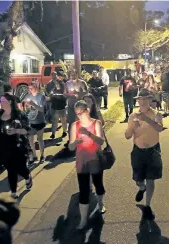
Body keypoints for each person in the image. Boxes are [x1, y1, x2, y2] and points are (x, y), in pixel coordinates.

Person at [124, 88, 164, 220]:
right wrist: (132, 127)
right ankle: (141, 187)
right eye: (140, 99)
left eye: (145, 99)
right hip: (138, 151)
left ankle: (147, 205)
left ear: (150, 100)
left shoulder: (156, 114)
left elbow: (159, 128)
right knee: (138, 178)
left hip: (153, 150)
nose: (143, 101)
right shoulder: (133, 116)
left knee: (151, 179)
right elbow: (127, 136)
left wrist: (146, 119)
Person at [69, 101, 106, 229]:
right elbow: (70, 145)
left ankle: (100, 203)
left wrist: (89, 134)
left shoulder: (97, 123)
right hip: (81, 160)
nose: (79, 115)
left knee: (98, 184)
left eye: (81, 112)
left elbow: (100, 141)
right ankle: (83, 219)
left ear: (87, 110)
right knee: (83, 189)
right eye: (77, 113)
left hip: (95, 158)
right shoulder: (75, 125)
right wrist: (75, 143)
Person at [0, 94, 33, 198]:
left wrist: (16, 130)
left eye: (2, 101)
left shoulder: (19, 114)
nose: (0, 103)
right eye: (0, 101)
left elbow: (28, 129)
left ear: (10, 101)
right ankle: (13, 191)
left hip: (18, 147)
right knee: (10, 169)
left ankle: (27, 176)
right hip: (3, 148)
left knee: (20, 168)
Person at [23, 82, 47, 164]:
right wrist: (26, 106)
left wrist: (34, 104)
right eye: (29, 88)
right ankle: (34, 155)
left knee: (40, 139)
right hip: (31, 121)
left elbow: (43, 110)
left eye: (31, 88)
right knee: (30, 140)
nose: (30, 90)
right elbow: (25, 108)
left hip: (40, 121)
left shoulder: (41, 97)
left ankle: (42, 155)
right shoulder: (28, 96)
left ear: (36, 88)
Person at [45, 72, 67, 139]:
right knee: (55, 120)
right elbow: (47, 93)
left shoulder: (61, 82)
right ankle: (53, 133)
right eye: (52, 75)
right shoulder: (49, 84)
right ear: (51, 76)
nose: (54, 76)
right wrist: (49, 97)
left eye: (55, 75)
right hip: (54, 104)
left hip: (61, 104)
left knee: (63, 119)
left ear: (56, 75)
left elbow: (64, 91)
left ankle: (64, 132)